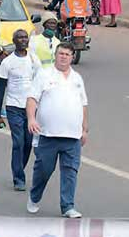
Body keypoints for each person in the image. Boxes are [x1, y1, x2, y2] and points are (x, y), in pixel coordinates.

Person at [26, 42, 88, 218]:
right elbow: (32, 99)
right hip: (48, 135)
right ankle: (35, 196)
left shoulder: (77, 78)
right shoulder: (44, 74)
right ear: (56, 55)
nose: (64, 57)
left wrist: (85, 129)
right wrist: (31, 118)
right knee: (44, 170)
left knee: (70, 171)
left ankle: (67, 206)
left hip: (72, 136)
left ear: (72, 57)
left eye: (67, 54)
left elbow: (83, 104)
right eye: (61, 53)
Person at [0, 29, 40, 192]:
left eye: (25, 37)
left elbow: (39, 84)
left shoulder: (34, 59)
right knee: (18, 142)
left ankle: (18, 167)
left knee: (28, 143)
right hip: (13, 107)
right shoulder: (7, 63)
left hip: (30, 108)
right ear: (14, 41)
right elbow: (0, 89)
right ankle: (18, 178)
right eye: (19, 38)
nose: (23, 40)